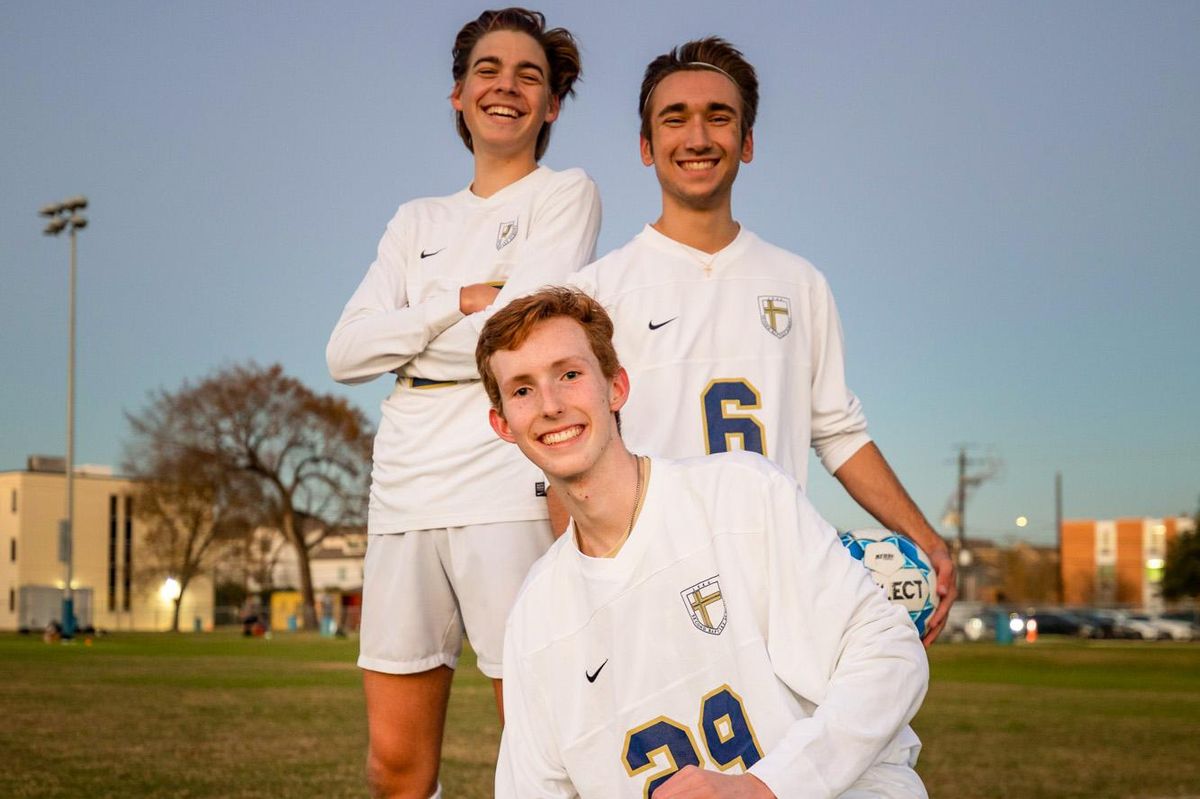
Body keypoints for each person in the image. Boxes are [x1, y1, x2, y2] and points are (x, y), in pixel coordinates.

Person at [569, 37, 955, 644]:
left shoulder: (798, 283)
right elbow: (573, 452)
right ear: (646, 148)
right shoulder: (597, 293)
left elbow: (839, 432)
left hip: (778, 581)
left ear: (746, 143)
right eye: (675, 119)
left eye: (718, 117)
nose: (697, 137)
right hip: (649, 579)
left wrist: (925, 538)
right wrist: (579, 588)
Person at [477, 287, 929, 798]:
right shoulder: (535, 618)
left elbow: (890, 655)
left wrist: (767, 787)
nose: (551, 405)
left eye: (570, 375)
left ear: (616, 386)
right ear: (503, 425)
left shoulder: (740, 495)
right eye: (522, 390)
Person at [325, 9, 600, 798]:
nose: (505, 86)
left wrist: (415, 331)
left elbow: (521, 336)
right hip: (403, 486)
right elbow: (345, 353)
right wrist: (454, 303)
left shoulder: (566, 194)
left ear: (551, 106)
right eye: (488, 70)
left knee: (540, 742)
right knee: (395, 766)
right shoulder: (416, 220)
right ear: (457, 95)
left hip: (504, 475)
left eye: (528, 75)